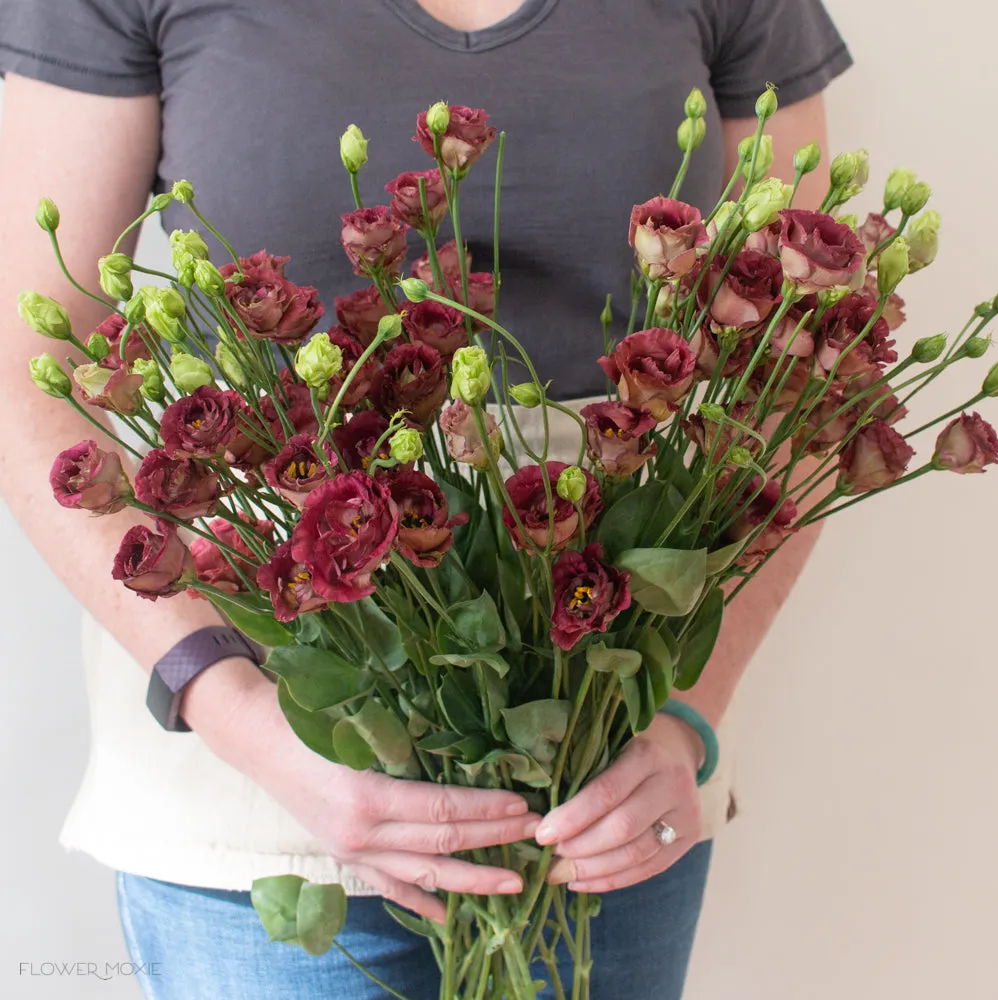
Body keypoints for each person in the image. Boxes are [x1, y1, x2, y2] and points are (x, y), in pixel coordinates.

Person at [0, 1, 850, 996]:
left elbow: (808, 380)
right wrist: (239, 717)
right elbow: (28, 376)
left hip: (606, 754)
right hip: (260, 761)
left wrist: (687, 719)